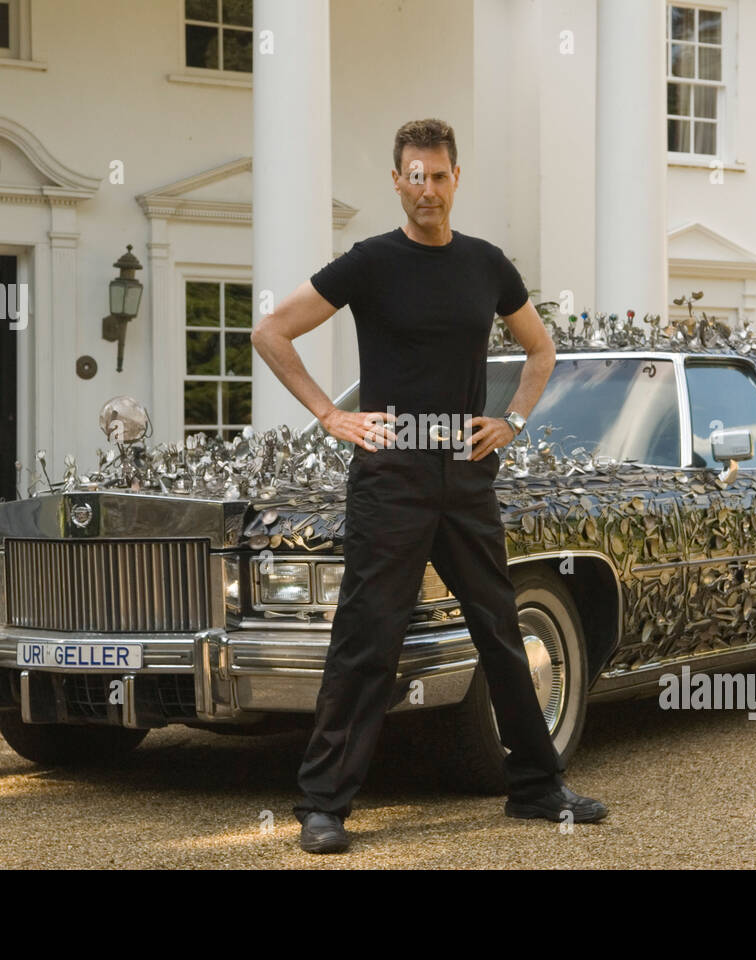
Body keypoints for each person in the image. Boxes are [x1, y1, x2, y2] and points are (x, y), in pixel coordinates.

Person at [251, 118, 608, 854]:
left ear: (454, 179)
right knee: (367, 638)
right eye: (414, 175)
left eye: (439, 175)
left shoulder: (486, 264)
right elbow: (273, 331)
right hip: (392, 476)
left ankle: (537, 788)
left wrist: (509, 420)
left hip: (468, 473)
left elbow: (541, 349)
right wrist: (330, 416)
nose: (427, 189)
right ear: (396, 181)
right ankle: (323, 805)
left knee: (500, 629)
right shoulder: (370, 263)